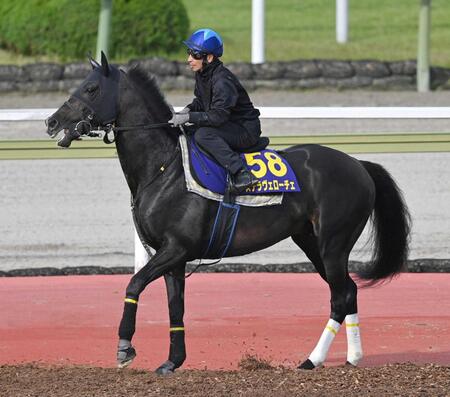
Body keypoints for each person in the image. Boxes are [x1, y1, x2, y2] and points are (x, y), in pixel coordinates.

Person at [169, 28, 261, 194]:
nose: (189, 59)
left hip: (245, 130)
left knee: (203, 134)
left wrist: (189, 117)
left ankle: (242, 173)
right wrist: (186, 110)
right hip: (228, 124)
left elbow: (218, 116)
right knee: (188, 130)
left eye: (195, 55)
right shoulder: (203, 73)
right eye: (189, 53)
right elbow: (201, 101)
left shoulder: (222, 81)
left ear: (209, 57)